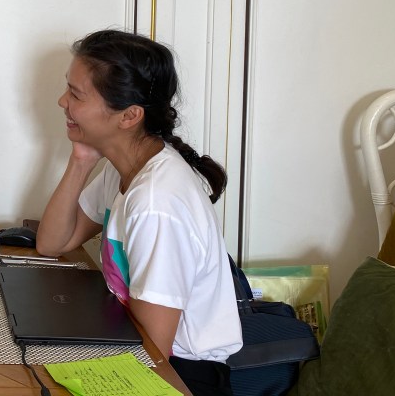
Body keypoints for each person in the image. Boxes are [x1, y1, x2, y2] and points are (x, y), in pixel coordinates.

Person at [36, 29, 242, 396]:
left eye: (76, 94)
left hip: (181, 376)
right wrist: (81, 160)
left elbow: (152, 353)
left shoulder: (156, 203)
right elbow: (54, 242)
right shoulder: (126, 164)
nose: (62, 101)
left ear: (129, 115)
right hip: (136, 346)